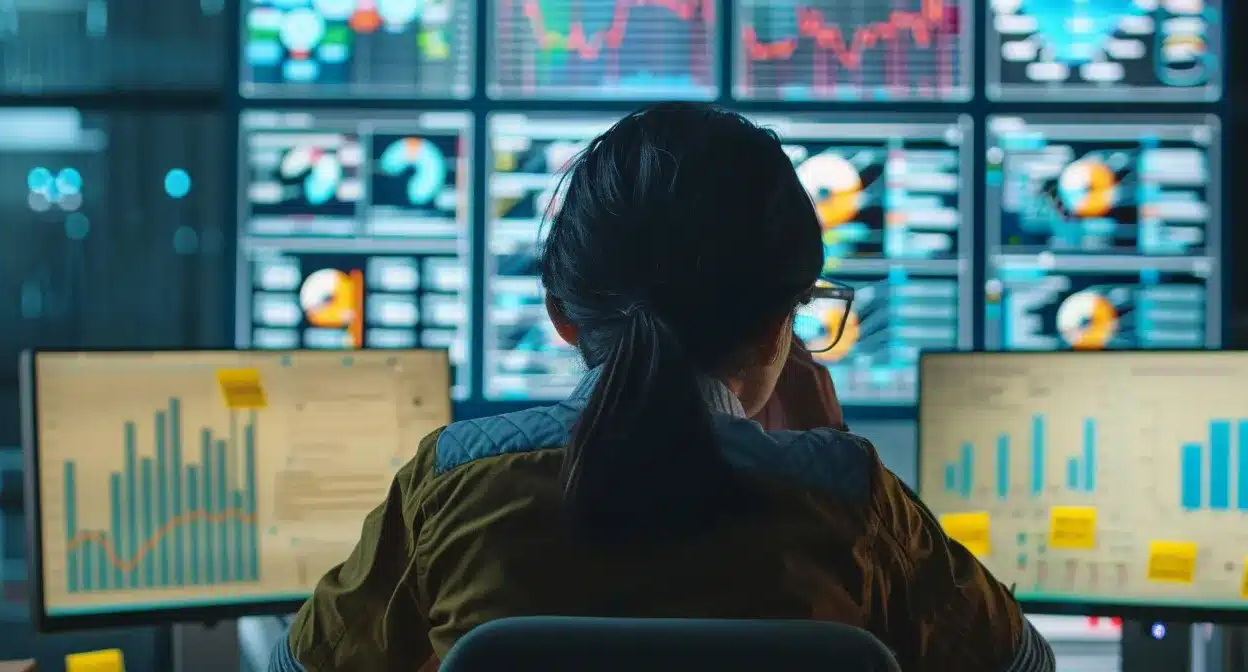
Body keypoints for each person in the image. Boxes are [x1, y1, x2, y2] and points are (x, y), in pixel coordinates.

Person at [277, 103, 1054, 672]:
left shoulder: (450, 489)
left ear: (562, 315)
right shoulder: (852, 505)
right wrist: (834, 456)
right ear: (779, 325)